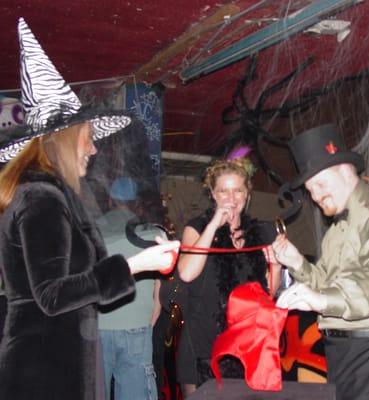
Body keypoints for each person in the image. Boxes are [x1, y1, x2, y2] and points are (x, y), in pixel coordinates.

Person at [0, 18, 179, 400]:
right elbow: (51, 295)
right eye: (88, 138)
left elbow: (90, 283)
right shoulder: (40, 197)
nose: (94, 149)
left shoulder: (57, 197)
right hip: (43, 368)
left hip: (61, 358)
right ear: (65, 140)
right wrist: (136, 265)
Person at [271, 124, 369, 400]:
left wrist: (321, 301)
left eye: (320, 184)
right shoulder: (336, 230)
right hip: (346, 353)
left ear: (346, 171)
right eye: (310, 190)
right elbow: (327, 286)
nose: (316, 196)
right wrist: (297, 262)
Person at [171, 157, 281, 398]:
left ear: (247, 194)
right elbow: (187, 273)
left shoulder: (261, 233)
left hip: (245, 347)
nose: (231, 199)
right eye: (223, 191)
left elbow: (269, 293)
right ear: (212, 193)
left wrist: (276, 265)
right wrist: (213, 226)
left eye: (238, 191)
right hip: (203, 346)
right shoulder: (197, 228)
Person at [96, 177, 164, 400]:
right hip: (137, 325)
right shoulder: (151, 232)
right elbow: (162, 280)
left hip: (97, 327)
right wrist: (155, 307)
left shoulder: (92, 230)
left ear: (109, 200)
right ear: (136, 203)